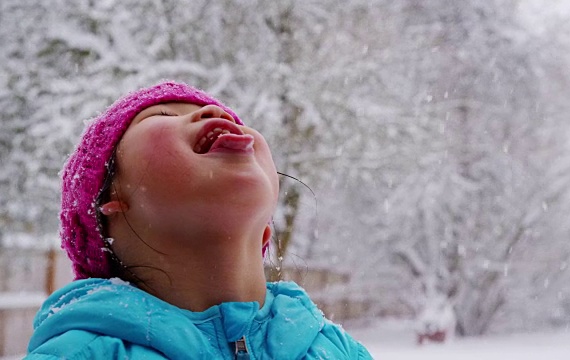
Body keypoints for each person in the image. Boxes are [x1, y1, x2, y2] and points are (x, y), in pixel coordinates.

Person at [26, 81, 372, 359]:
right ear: (109, 203)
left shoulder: (337, 350)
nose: (212, 110)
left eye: (233, 123)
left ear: (265, 227)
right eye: (162, 114)